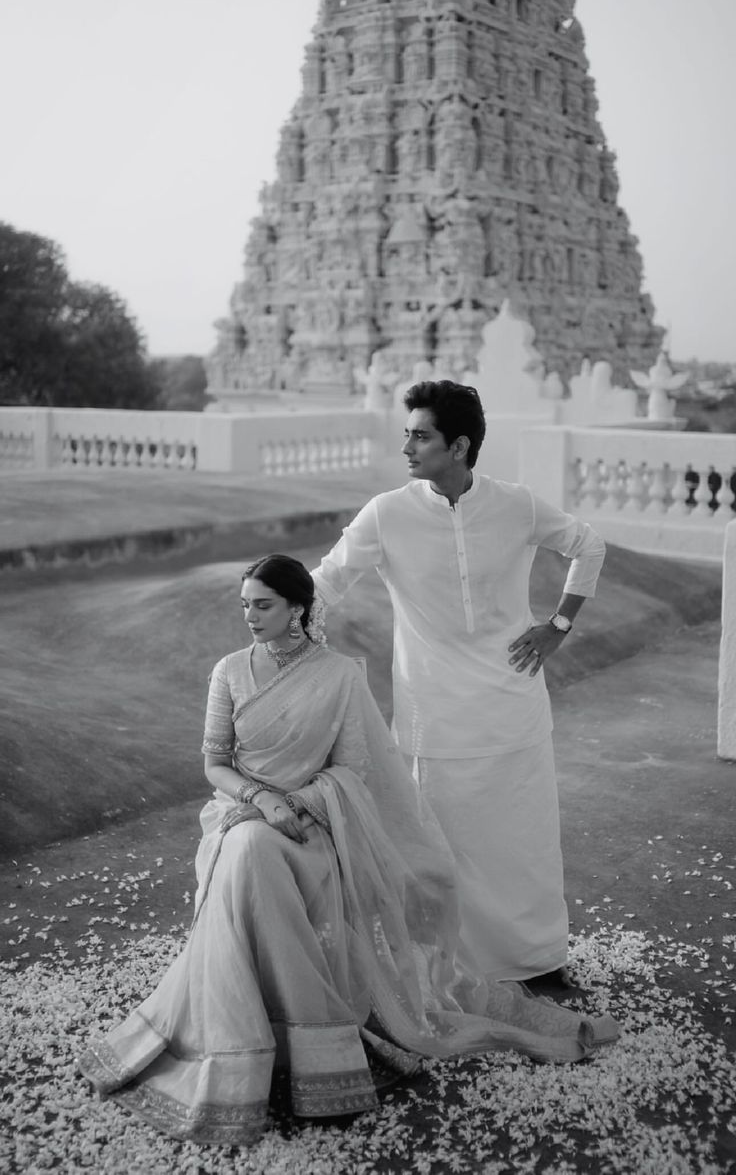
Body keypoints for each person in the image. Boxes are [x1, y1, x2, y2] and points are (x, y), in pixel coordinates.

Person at [78, 555, 616, 1145]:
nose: (251, 617)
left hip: (318, 822)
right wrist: (263, 801)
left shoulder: (338, 675)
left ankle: (289, 1047)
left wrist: (300, 804)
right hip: (242, 816)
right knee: (251, 851)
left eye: (264, 605)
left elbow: (353, 769)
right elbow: (215, 764)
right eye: (245, 605)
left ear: (298, 610)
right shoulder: (229, 671)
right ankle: (256, 1049)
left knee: (258, 856)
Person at [311, 381, 606, 988]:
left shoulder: (516, 505)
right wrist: (273, 620)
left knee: (521, 844)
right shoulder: (387, 512)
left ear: (461, 445)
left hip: (513, 704)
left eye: (421, 435)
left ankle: (537, 962)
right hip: (433, 714)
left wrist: (558, 623)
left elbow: (589, 545)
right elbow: (328, 581)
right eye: (408, 434)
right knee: (440, 848)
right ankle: (448, 969)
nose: (408, 447)